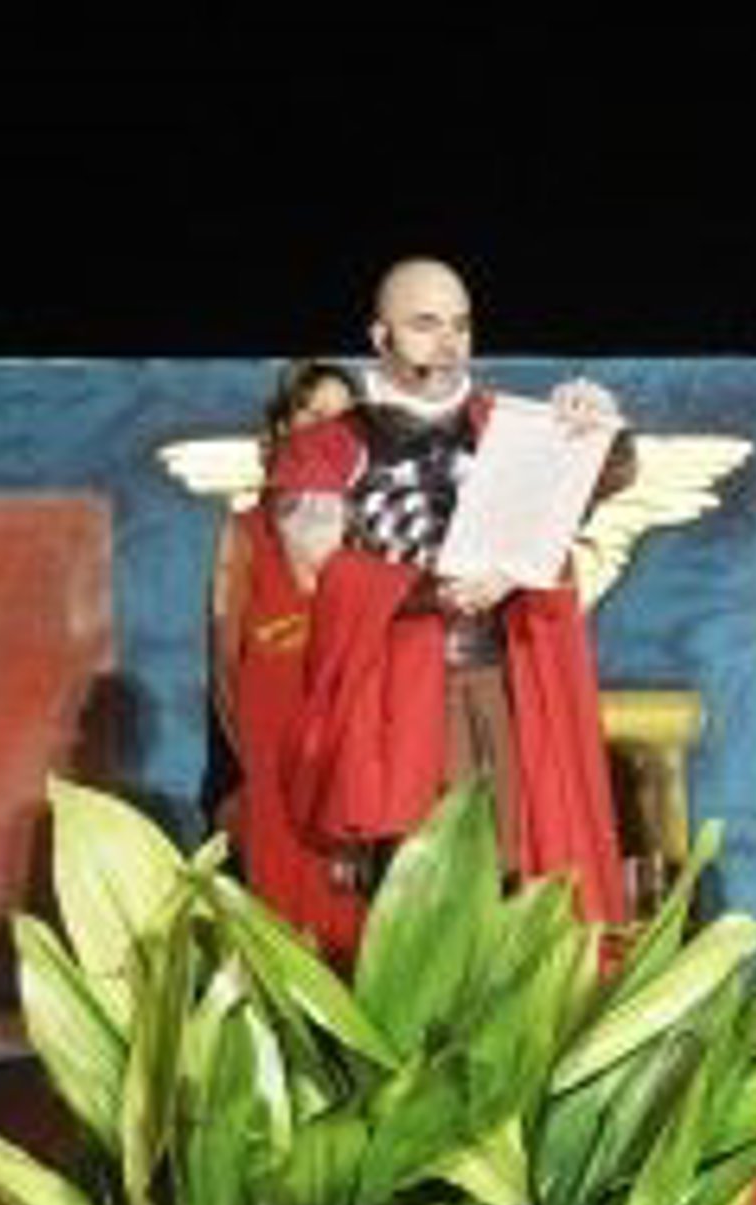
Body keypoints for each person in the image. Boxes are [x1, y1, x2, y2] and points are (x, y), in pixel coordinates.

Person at [266, 257, 634, 925]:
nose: (447, 343)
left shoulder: (510, 426)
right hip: (395, 693)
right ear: (380, 337)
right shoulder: (329, 446)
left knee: (518, 857)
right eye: (425, 324)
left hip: (504, 675)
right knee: (414, 876)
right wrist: (430, 592)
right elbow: (315, 568)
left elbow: (603, 476)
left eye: (460, 325)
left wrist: (595, 425)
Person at [209, 359, 369, 964]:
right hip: (271, 771)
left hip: (352, 772)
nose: (327, 426)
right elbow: (226, 667)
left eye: (343, 416)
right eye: (312, 411)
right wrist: (242, 783)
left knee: (355, 926)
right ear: (282, 426)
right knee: (281, 931)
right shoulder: (246, 533)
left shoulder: (373, 532)